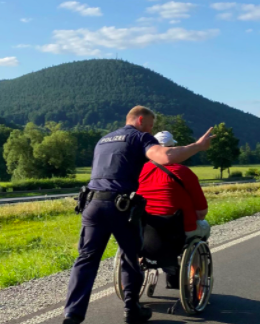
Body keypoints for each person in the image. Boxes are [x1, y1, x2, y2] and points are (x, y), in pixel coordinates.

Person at [63, 106, 215, 324]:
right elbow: (165, 156)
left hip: (91, 203)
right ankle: (132, 308)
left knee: (86, 260)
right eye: (151, 125)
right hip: (119, 205)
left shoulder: (104, 139)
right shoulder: (139, 137)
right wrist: (198, 146)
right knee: (130, 256)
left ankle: (72, 315)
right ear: (141, 119)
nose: (151, 131)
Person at [137, 131, 210, 288]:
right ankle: (193, 276)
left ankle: (139, 265)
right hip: (178, 230)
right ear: (174, 148)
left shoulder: (139, 172)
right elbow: (201, 211)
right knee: (203, 230)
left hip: (145, 230)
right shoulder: (184, 173)